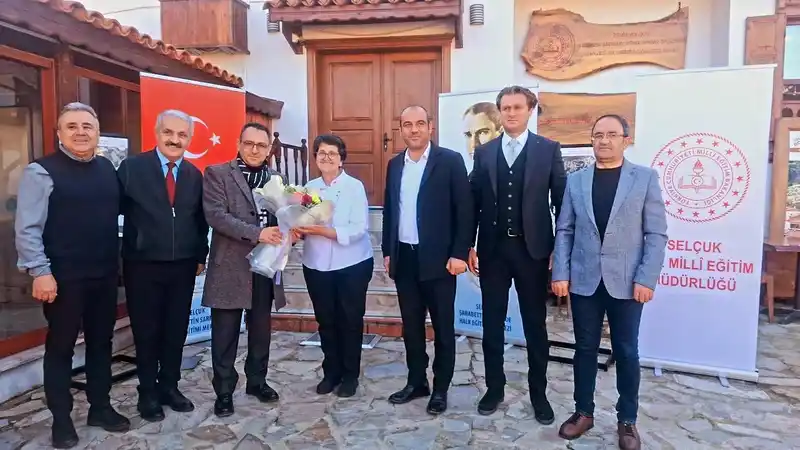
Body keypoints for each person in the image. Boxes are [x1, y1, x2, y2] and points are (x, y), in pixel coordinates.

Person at [15, 102, 129, 448]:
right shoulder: (41, 172)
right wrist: (40, 271)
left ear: (97, 133)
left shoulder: (107, 168)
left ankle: (100, 407)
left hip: (104, 275)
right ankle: (61, 420)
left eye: (87, 126)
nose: (80, 132)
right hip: (62, 279)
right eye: (72, 126)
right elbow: (27, 229)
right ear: (59, 133)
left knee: (101, 343)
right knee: (61, 348)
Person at [552, 114, 667, 450]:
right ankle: (583, 412)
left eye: (612, 134)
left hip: (628, 282)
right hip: (584, 280)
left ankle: (627, 420)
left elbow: (656, 234)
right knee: (584, 349)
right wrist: (560, 272)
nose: (604, 140)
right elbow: (565, 229)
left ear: (625, 140)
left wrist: (646, 277)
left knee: (627, 351)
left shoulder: (644, 178)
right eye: (598, 134)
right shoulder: (577, 181)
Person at [468, 85, 567, 421]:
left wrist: (559, 251)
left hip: (533, 252)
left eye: (517, 107)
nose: (510, 113)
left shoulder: (548, 149)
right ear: (500, 113)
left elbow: (561, 203)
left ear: (530, 110)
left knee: (535, 325)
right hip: (493, 251)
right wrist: (468, 244)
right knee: (492, 323)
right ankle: (494, 388)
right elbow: (473, 202)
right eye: (505, 108)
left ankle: (539, 394)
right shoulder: (484, 153)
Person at [118, 109, 209, 422]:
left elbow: (200, 221)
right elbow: (114, 212)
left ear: (189, 139)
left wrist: (200, 256)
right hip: (142, 265)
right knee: (146, 331)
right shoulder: (132, 168)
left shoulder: (194, 175)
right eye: (169, 132)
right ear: (157, 133)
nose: (175, 139)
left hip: (182, 266)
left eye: (182, 135)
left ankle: (169, 386)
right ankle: (147, 392)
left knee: (175, 330)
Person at [382, 105, 473, 415]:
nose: (414, 129)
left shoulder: (450, 161)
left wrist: (459, 252)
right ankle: (416, 381)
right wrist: (388, 250)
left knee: (443, 329)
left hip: (440, 261)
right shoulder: (395, 165)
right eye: (407, 124)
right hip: (404, 258)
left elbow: (465, 210)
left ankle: (441, 388)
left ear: (430, 127)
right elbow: (390, 210)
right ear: (401, 130)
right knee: (411, 327)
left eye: (420, 123)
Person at [202, 122, 290, 417]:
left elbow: (283, 216)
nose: (255, 150)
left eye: (261, 145)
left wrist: (292, 228)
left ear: (269, 149)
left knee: (261, 329)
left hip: (265, 266)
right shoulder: (217, 174)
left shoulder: (277, 178)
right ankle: (224, 391)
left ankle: (257, 381)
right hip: (230, 266)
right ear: (239, 144)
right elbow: (217, 216)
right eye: (249, 143)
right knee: (225, 333)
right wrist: (258, 233)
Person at [295, 134, 373, 398]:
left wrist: (324, 231)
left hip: (352, 263)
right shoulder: (309, 188)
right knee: (326, 321)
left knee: (350, 320)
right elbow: (301, 221)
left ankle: (350, 375)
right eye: (321, 153)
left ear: (341, 159)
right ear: (315, 157)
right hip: (316, 264)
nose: (326, 157)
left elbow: (359, 228)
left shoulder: (354, 187)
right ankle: (331, 373)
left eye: (332, 153)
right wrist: (296, 229)